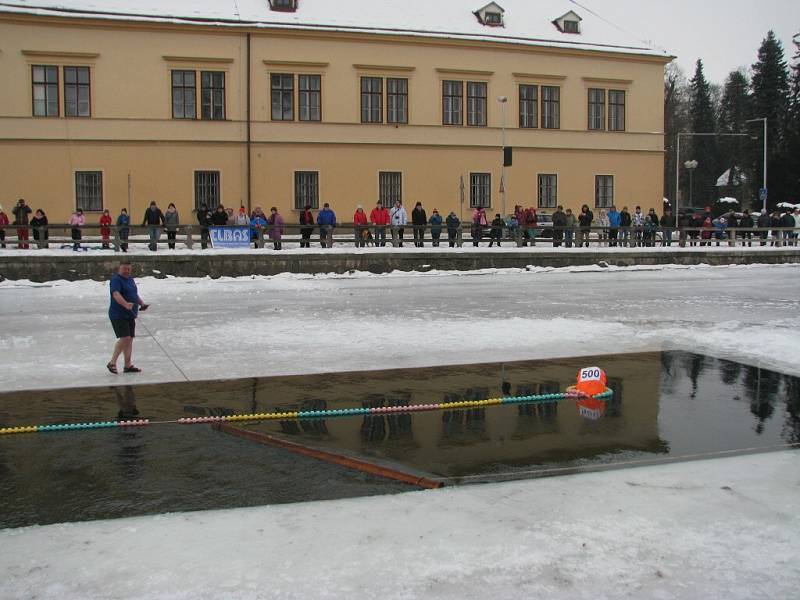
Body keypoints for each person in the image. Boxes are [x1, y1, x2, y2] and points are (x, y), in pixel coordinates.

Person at [106, 261, 149, 375]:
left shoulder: (130, 279)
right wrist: (125, 304)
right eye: (124, 268)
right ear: (119, 269)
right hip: (118, 314)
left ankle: (127, 365)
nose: (127, 271)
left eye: (129, 269)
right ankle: (112, 362)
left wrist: (142, 303)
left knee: (129, 339)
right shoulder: (116, 280)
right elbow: (116, 294)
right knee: (125, 338)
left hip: (130, 314)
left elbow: (134, 294)